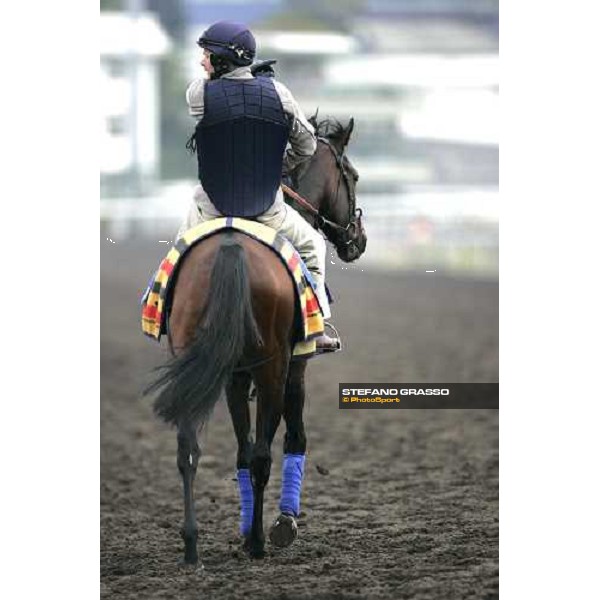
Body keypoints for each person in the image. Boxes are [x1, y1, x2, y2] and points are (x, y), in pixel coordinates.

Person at [176, 20, 339, 351]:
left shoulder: (197, 93)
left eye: (206, 55)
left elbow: (226, 107)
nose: (202, 61)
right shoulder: (279, 93)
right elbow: (307, 146)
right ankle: (317, 327)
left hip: (209, 208)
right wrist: (274, 170)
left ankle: (167, 317)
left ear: (222, 60)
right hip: (267, 208)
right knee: (313, 247)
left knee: (178, 257)